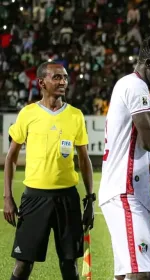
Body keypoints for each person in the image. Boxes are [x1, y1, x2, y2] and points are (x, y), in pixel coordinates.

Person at [3, 61, 95, 280]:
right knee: (23, 265)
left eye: (64, 77)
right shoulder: (28, 113)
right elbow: (11, 157)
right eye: (56, 77)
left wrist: (90, 199)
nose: (63, 81)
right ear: (41, 82)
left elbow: (84, 159)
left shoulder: (75, 115)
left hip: (67, 198)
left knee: (69, 264)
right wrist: (8, 197)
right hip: (35, 198)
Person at [98, 34, 150, 280]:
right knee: (141, 272)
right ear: (149, 63)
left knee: (125, 273)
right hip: (125, 191)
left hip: (129, 191)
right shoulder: (135, 87)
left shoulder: (135, 86)